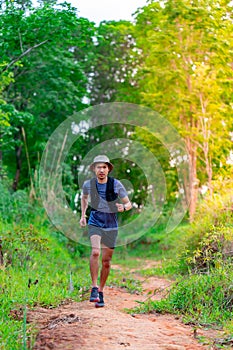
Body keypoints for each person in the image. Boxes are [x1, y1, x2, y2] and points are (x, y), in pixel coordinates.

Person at [79, 155, 132, 307]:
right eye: (98, 167)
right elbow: (84, 198)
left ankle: (101, 291)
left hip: (111, 224)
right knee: (95, 252)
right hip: (95, 221)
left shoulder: (116, 184)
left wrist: (123, 207)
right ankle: (94, 288)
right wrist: (83, 215)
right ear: (94, 169)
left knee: (106, 261)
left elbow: (128, 203)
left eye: (104, 167)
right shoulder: (88, 184)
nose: (101, 170)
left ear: (108, 169)